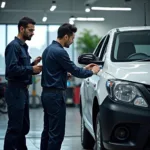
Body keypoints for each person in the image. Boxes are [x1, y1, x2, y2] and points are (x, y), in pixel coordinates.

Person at [40, 23, 100, 150]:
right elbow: (76, 71)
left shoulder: (48, 50)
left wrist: (80, 69)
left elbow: (54, 71)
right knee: (56, 134)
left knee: (47, 130)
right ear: (66, 37)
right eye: (72, 38)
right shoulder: (60, 52)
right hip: (56, 96)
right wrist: (92, 71)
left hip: (47, 94)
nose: (72, 41)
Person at [4, 17, 42, 150]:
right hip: (15, 91)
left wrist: (32, 65)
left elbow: (20, 68)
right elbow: (12, 69)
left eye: (33, 30)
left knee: (23, 126)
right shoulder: (14, 46)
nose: (33, 33)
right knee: (15, 127)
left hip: (23, 91)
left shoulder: (23, 47)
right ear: (22, 29)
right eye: (30, 30)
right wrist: (31, 69)